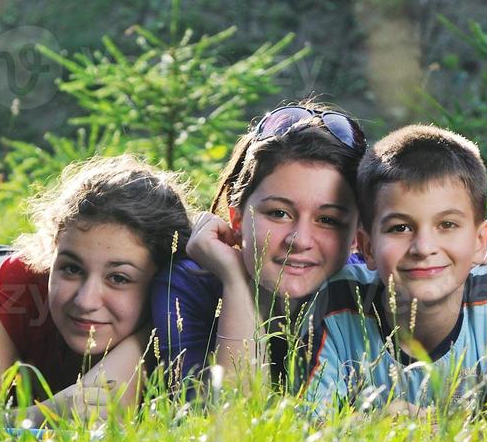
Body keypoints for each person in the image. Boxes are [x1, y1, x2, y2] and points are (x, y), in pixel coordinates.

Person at [0, 156, 191, 424]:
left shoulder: (180, 309)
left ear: (162, 282)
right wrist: (53, 412)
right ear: (53, 254)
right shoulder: (22, 281)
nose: (85, 301)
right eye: (71, 269)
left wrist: (140, 343)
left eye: (118, 278)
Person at [305, 126, 487, 411]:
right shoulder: (338, 301)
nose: (424, 247)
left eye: (447, 225)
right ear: (367, 247)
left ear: (480, 241)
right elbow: (310, 427)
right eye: (400, 228)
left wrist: (423, 428)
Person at [152, 102, 367, 391]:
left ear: (356, 235)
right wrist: (234, 281)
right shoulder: (188, 287)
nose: (299, 240)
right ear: (236, 217)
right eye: (278, 213)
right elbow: (231, 417)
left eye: (328, 219)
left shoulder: (368, 295)